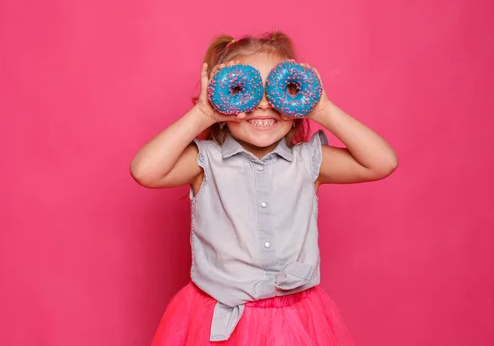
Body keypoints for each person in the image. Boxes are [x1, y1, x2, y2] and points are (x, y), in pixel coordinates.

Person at [130, 32, 398, 345]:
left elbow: (383, 162)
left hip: (296, 322)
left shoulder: (309, 161)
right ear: (221, 97)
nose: (263, 104)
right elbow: (144, 171)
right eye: (243, 89)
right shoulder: (206, 162)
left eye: (280, 89)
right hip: (220, 320)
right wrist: (202, 113)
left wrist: (323, 110)